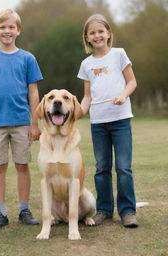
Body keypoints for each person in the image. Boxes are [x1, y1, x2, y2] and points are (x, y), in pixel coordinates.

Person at [0, 9, 43, 230]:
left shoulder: (28, 59)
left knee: (23, 165)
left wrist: (35, 122)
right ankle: (0, 213)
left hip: (22, 121)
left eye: (11, 27)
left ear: (18, 30)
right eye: (2, 27)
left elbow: (33, 93)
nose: (7, 31)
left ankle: (24, 209)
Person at [77, 14, 138, 228]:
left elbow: (132, 82)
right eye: (92, 32)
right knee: (102, 167)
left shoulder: (119, 54)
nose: (97, 35)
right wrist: (78, 112)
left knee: (123, 167)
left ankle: (128, 211)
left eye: (101, 31)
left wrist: (123, 95)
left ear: (108, 33)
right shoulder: (86, 64)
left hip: (120, 121)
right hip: (98, 123)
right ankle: (103, 210)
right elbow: (87, 96)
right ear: (87, 37)